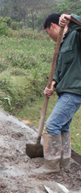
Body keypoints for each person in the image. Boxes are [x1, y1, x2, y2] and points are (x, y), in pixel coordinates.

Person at [37, 13, 81, 174]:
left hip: (74, 91)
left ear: (53, 26)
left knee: (53, 125)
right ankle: (65, 162)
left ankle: (51, 165)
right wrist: (53, 83)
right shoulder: (62, 44)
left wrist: (71, 18)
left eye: (49, 34)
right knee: (63, 126)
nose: (50, 38)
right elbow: (60, 69)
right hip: (66, 90)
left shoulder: (76, 36)